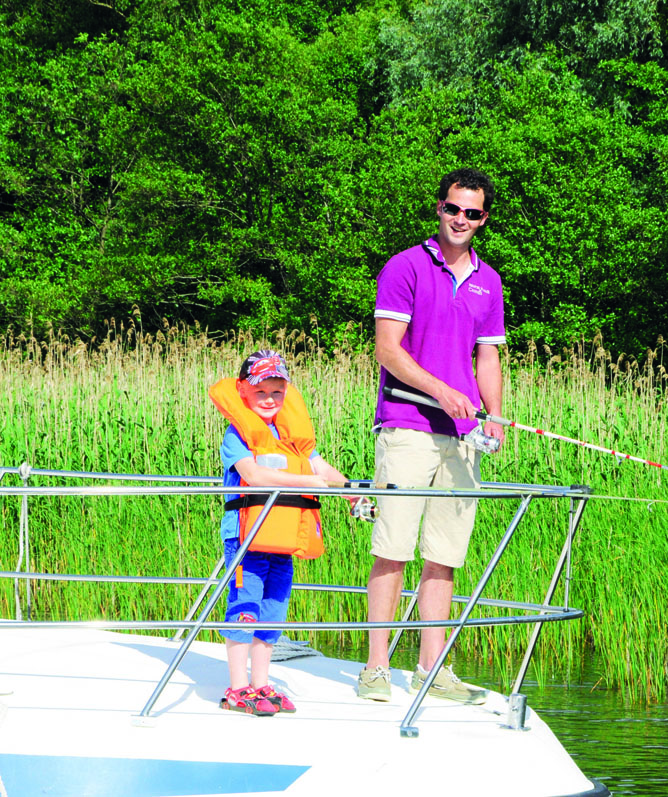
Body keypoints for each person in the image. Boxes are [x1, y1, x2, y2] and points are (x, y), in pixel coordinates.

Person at [357, 167, 506, 704]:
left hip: (463, 437)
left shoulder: (489, 281)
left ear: (483, 218)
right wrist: (442, 391)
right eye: (453, 208)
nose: (461, 219)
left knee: (444, 555)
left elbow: (487, 355)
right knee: (393, 548)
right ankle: (375, 669)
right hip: (407, 425)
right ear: (439, 208)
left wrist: (494, 414)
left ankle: (432, 669)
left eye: (473, 212)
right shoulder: (405, 267)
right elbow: (388, 351)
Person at [210, 349, 357, 716]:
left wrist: (351, 490)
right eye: (261, 392)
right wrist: (308, 480)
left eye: (277, 392)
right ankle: (237, 687)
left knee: (273, 611)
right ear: (244, 391)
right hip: (246, 539)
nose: (270, 400)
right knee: (245, 609)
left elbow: (319, 465)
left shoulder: (292, 435)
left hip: (283, 539)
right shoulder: (237, 434)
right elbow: (255, 475)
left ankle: (261, 683)